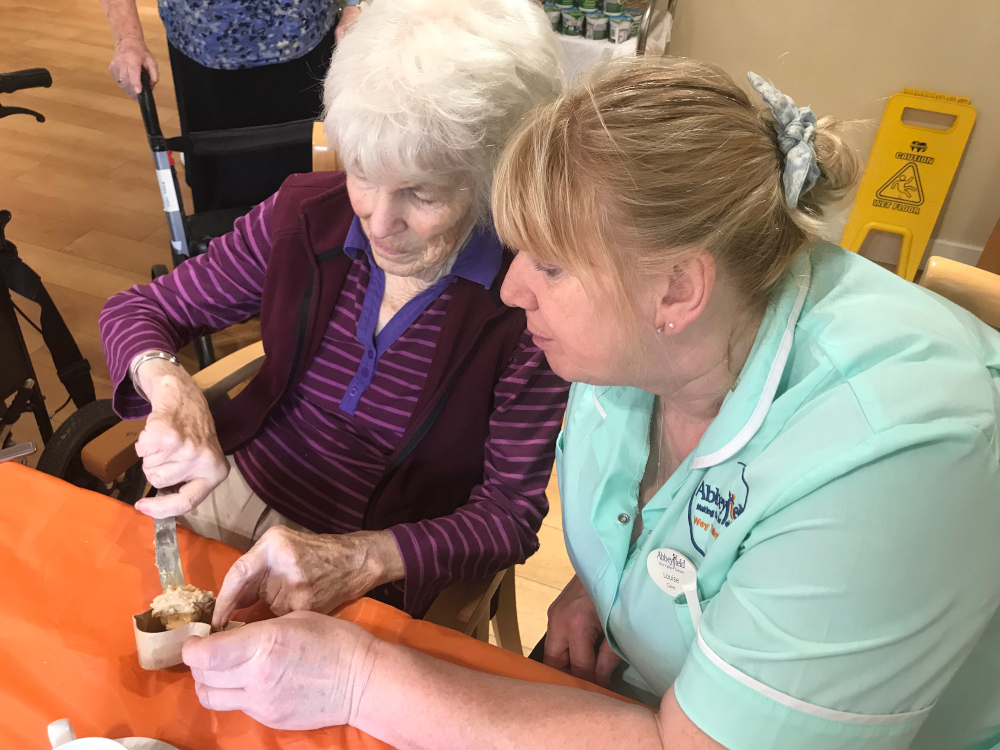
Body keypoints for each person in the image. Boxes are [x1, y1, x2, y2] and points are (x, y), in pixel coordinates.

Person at [181, 58, 1000, 750]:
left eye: (550, 265)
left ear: (677, 288)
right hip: (645, 692)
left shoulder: (891, 451)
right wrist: (608, 584)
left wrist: (359, 679)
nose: (509, 287)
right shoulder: (649, 344)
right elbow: (669, 510)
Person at [99, 0, 567, 619]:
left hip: (373, 565)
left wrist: (368, 558)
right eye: (365, 173)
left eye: (421, 193)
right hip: (236, 490)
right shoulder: (306, 216)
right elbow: (138, 310)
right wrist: (169, 384)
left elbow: (508, 514)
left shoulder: (526, 302)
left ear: (492, 179)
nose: (378, 219)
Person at [99, 0, 355, 211]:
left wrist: (355, 6)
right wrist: (127, 39)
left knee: (312, 186)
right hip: (203, 45)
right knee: (222, 185)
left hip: (308, 36)